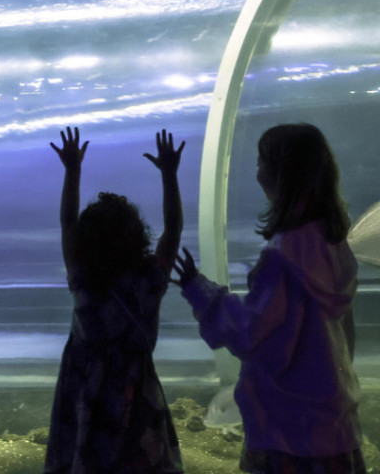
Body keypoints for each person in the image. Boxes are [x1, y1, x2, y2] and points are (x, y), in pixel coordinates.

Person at [173, 123, 364, 473]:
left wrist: (199, 290)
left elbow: (252, 333)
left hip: (288, 429)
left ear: (283, 174)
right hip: (334, 421)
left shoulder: (281, 258)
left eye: (263, 161)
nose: (257, 170)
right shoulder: (333, 244)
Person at [44, 126, 185, 474]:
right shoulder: (149, 281)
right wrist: (170, 175)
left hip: (84, 392)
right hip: (135, 392)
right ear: (139, 237)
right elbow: (173, 230)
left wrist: (72, 171)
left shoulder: (84, 281)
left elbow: (66, 223)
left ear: (84, 244)